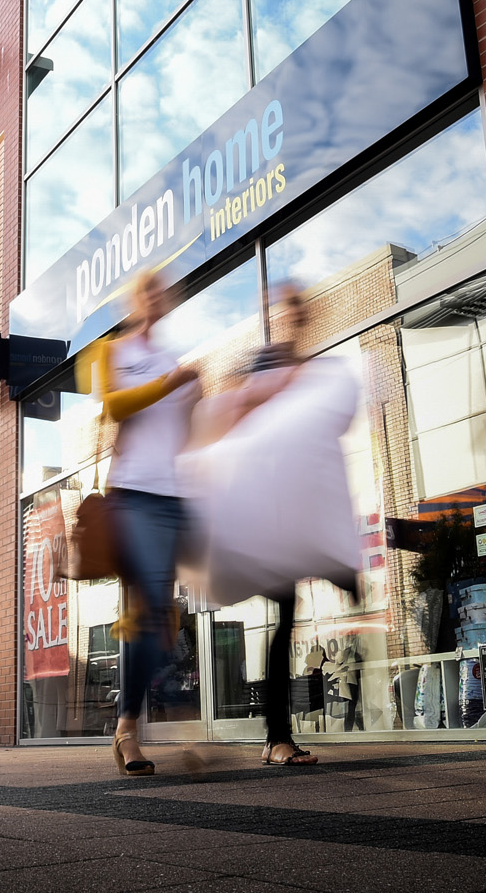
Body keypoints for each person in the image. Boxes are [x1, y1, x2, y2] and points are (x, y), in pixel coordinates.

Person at [183, 283, 362, 766]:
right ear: (274, 316)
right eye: (286, 308)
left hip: (293, 519)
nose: (294, 316)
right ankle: (275, 738)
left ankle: (274, 737)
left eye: (300, 307)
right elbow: (233, 419)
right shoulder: (264, 364)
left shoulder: (315, 371)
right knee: (284, 619)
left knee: (287, 619)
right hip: (262, 521)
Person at [89, 270, 200, 776]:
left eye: (162, 289)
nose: (156, 296)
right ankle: (127, 730)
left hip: (172, 495)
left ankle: (129, 721)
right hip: (133, 494)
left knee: (161, 622)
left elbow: (186, 433)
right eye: (146, 289)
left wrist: (195, 396)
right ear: (133, 300)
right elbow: (113, 407)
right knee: (147, 610)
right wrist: (168, 384)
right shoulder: (114, 351)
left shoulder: (170, 360)